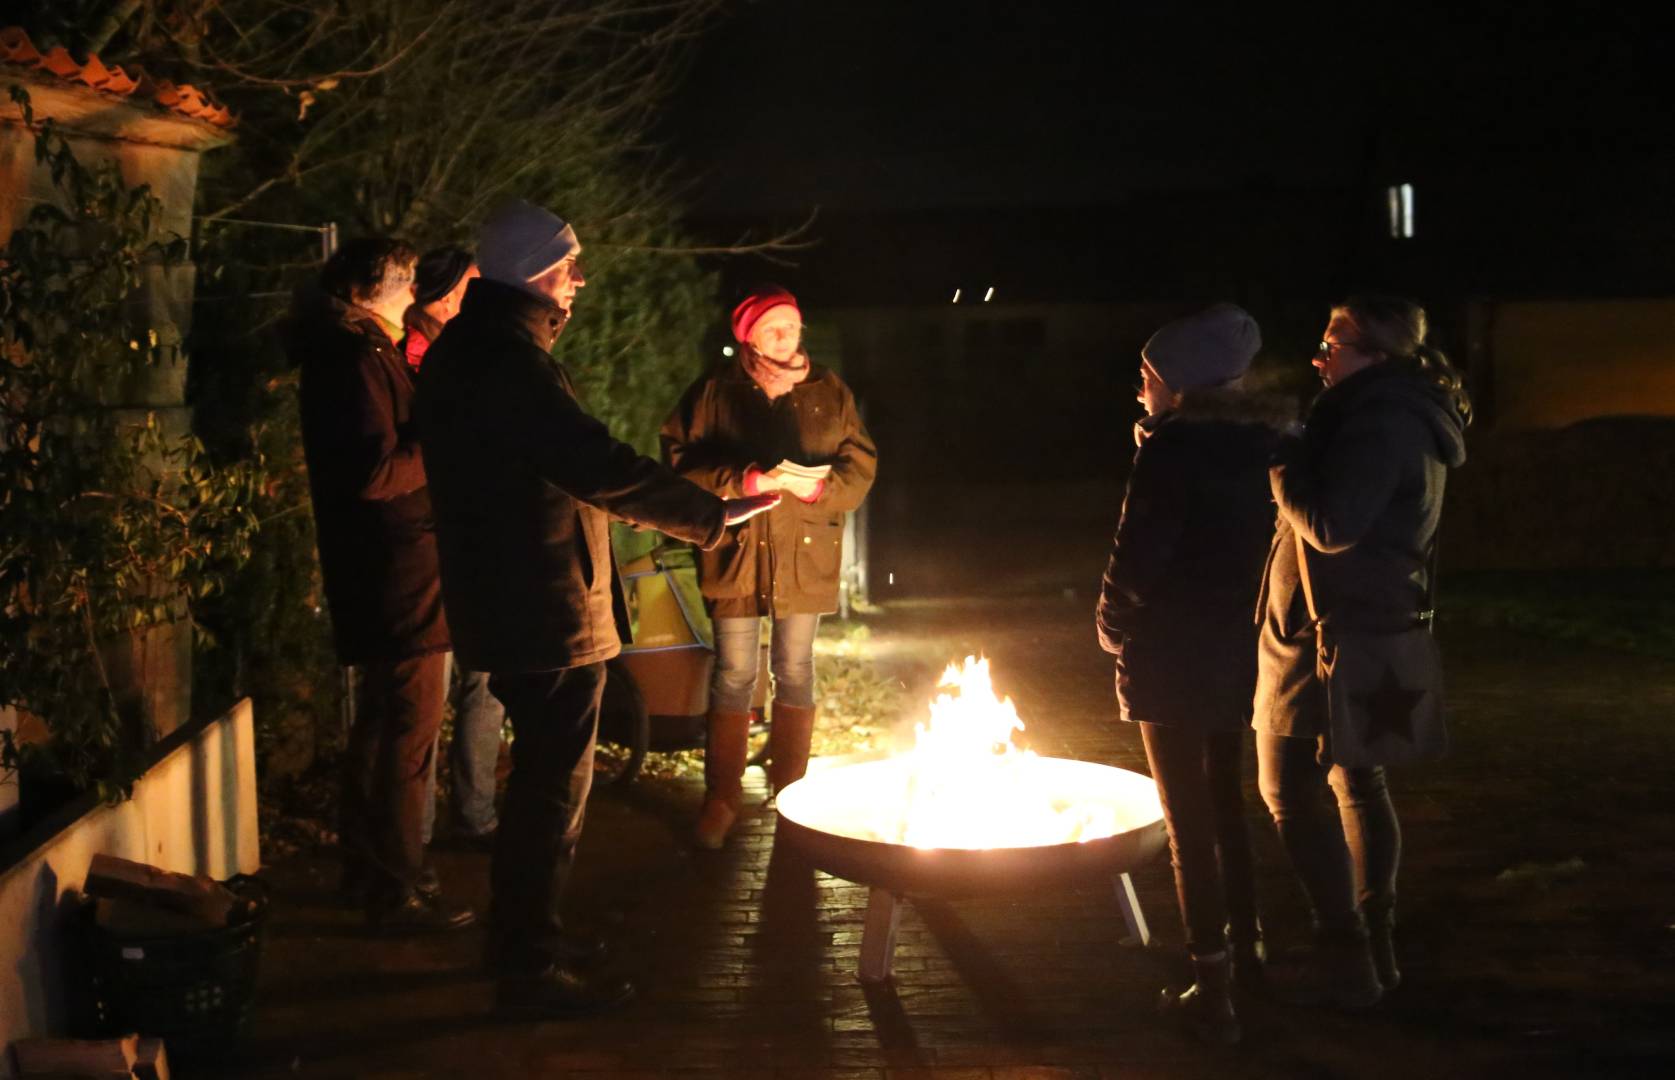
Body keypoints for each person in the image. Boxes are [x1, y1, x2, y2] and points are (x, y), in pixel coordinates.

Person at [414, 199, 778, 1016]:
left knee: (548, 784)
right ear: (541, 273)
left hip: (522, 599)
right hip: (537, 605)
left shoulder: (486, 351)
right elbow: (591, 463)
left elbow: (566, 467)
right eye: (570, 267)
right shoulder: (506, 360)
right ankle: (526, 966)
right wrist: (707, 515)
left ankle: (526, 939)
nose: (579, 282)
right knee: (550, 788)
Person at [1252, 295, 1470, 1008]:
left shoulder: (1377, 423)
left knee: (1289, 787)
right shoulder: (1384, 412)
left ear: (1377, 353)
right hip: (1353, 624)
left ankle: (1345, 946)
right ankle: (1370, 949)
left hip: (1330, 635)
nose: (1319, 355)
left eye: (1334, 342)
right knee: (1355, 782)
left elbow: (1330, 524)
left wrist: (1282, 453)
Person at [1095, 304, 1289, 1044]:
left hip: (1172, 651)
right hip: (1240, 648)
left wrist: (1111, 628)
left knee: (1187, 825)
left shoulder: (1172, 453)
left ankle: (1211, 990)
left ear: (1179, 382)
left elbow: (1137, 555)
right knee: (1226, 804)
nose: (1139, 388)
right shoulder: (1262, 443)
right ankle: (1248, 958)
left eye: (1147, 376)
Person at [284, 237, 474, 933]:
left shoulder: (361, 350)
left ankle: (367, 868)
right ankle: (399, 884)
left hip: (390, 564)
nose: (418, 285)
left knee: (383, 723)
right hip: (399, 567)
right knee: (409, 730)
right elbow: (373, 472)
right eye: (407, 276)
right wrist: (444, 443)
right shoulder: (356, 358)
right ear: (375, 287)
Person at [660, 285, 878, 850]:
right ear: (749, 337)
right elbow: (679, 462)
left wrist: (821, 489)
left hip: (805, 554)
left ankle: (792, 795)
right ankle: (722, 798)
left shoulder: (828, 390)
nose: (786, 336)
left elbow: (861, 462)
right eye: (773, 328)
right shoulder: (713, 391)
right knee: (734, 673)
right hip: (736, 553)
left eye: (792, 326)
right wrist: (745, 482)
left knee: (796, 667)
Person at [399, 245, 502, 848]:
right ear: (443, 299)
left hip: (468, 536)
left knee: (482, 682)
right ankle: (423, 834)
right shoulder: (416, 361)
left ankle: (474, 812)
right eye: (472, 287)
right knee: (432, 694)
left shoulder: (457, 354)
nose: (484, 297)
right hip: (437, 543)